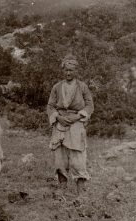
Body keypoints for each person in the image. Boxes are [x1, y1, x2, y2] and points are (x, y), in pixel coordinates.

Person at [47, 54, 94, 192]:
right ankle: (62, 187)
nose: (68, 73)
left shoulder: (83, 87)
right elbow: (50, 106)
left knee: (78, 157)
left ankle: (80, 190)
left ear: (76, 71)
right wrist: (57, 117)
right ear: (63, 71)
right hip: (60, 124)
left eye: (71, 70)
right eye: (66, 70)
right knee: (59, 157)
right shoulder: (56, 87)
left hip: (76, 123)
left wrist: (78, 116)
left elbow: (90, 105)